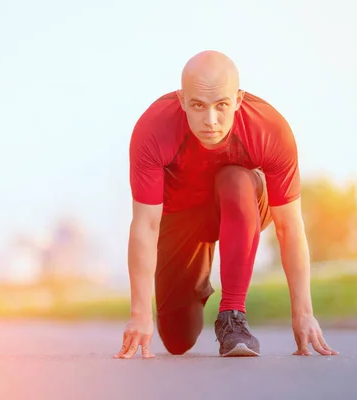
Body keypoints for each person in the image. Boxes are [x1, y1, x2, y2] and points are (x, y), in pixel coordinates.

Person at [114, 50, 339, 358]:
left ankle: (233, 316)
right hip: (183, 218)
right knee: (177, 340)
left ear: (239, 100)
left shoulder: (269, 129)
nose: (210, 121)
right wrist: (139, 314)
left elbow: (289, 226)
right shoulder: (154, 129)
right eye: (197, 105)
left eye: (221, 105)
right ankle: (199, 276)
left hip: (243, 205)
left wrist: (304, 314)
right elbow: (146, 223)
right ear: (181, 100)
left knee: (234, 178)